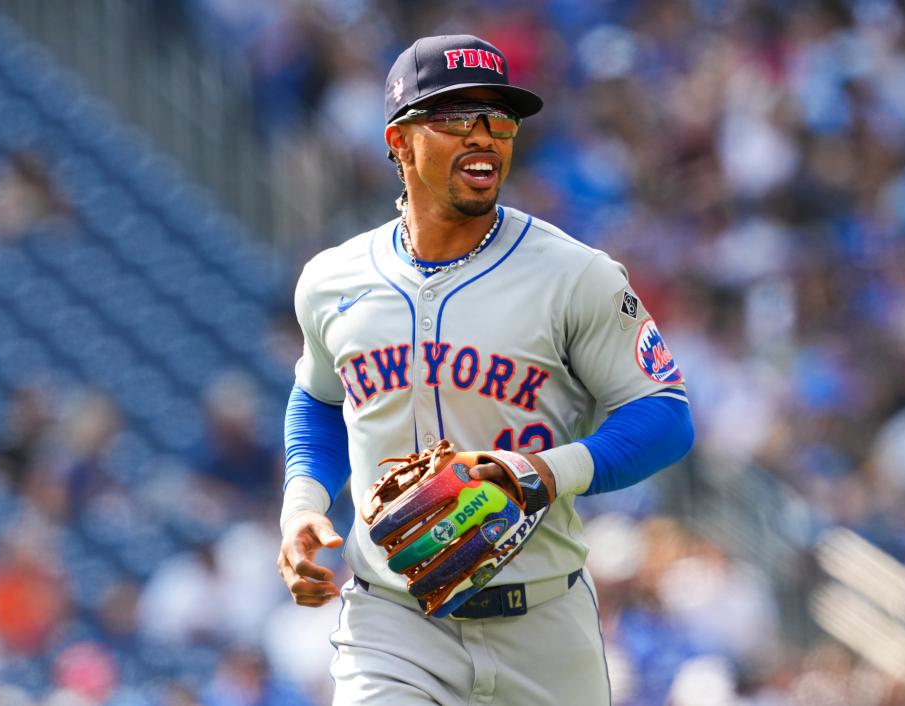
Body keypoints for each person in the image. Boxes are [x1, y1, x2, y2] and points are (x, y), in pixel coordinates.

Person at [278, 34, 695, 705]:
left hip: (545, 626)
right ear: (398, 140)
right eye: (454, 119)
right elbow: (322, 399)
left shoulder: (575, 274)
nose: (484, 137)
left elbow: (665, 416)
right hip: (394, 620)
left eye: (498, 119)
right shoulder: (332, 281)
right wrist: (302, 504)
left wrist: (548, 471)